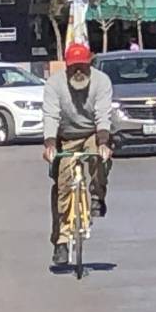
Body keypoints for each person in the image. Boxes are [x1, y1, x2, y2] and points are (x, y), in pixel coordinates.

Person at [42, 42, 114, 267]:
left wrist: (103, 143)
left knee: (99, 156)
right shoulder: (54, 84)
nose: (79, 72)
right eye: (74, 67)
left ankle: (96, 196)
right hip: (66, 137)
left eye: (83, 66)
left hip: (92, 133)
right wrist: (50, 145)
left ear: (89, 64)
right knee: (63, 185)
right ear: (67, 67)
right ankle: (62, 240)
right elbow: (51, 115)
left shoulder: (102, 82)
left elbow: (103, 114)